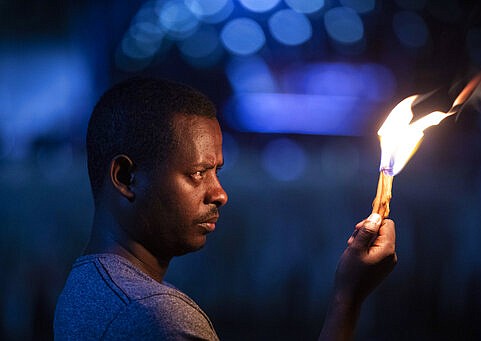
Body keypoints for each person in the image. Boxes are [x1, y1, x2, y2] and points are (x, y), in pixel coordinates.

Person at [53, 77, 397, 340]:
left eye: (217, 171)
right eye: (198, 173)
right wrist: (347, 298)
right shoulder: (157, 318)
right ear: (126, 177)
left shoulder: (85, 287)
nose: (220, 195)